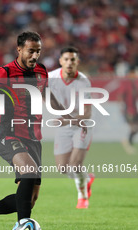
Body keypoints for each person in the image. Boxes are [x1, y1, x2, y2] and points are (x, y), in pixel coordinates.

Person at [0, 31, 77, 230]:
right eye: (31, 51)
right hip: (9, 135)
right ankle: (22, 228)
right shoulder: (5, 72)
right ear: (19, 49)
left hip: (34, 139)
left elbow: (47, 95)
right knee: (29, 172)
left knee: (29, 199)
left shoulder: (41, 71)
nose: (34, 56)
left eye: (38, 51)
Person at [48, 46, 95, 209]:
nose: (69, 63)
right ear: (60, 61)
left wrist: (67, 120)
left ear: (77, 62)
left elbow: (87, 113)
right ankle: (87, 178)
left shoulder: (83, 81)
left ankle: (82, 197)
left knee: (75, 165)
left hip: (81, 125)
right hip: (63, 126)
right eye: (66, 59)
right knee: (62, 169)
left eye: (72, 60)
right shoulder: (51, 77)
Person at [118, 69, 138, 154]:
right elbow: (120, 95)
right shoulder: (126, 84)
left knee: (135, 128)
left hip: (134, 109)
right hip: (129, 109)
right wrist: (122, 107)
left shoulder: (134, 85)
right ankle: (127, 143)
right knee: (133, 127)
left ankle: (128, 143)